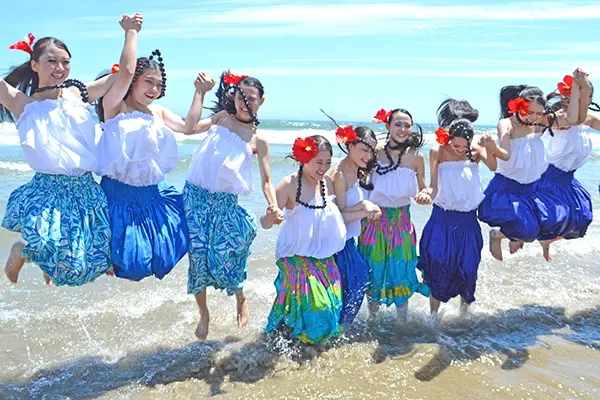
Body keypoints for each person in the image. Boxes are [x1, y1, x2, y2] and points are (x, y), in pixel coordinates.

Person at [0, 14, 139, 285]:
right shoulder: (23, 103)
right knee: (43, 240)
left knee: (83, 268)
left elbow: (125, 73)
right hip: (47, 188)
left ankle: (48, 265)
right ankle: (24, 250)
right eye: (52, 61)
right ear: (34, 64)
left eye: (65, 61)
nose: (60, 68)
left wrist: (130, 33)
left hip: (85, 188)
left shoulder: (80, 94)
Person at [182, 71, 284, 339]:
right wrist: (199, 92)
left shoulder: (259, 141)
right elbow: (190, 128)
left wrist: (273, 206)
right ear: (234, 96)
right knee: (198, 260)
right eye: (241, 96)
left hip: (225, 204)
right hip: (194, 199)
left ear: (261, 101)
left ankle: (240, 295)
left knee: (228, 255)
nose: (245, 102)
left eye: (252, 98)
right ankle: (204, 313)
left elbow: (266, 181)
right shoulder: (221, 118)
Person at [418, 99, 499, 321]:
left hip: (468, 221)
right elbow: (433, 186)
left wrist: (490, 147)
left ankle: (464, 316)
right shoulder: (437, 151)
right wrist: (427, 195)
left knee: (468, 268)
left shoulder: (476, 150)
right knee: (438, 267)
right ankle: (433, 318)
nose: (461, 150)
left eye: (465, 146)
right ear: (448, 138)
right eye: (456, 146)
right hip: (441, 219)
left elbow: (494, 167)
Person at [263, 135, 346, 343]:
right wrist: (271, 216)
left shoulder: (328, 183)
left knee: (333, 303)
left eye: (328, 162)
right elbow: (265, 223)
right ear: (304, 158)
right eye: (319, 162)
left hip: (323, 258)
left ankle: (294, 341)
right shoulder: (289, 184)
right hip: (295, 256)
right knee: (318, 305)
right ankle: (295, 342)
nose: (324, 168)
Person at [358, 108, 431, 323]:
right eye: (398, 124)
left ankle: (402, 323)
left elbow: (424, 188)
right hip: (373, 220)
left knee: (401, 269)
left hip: (402, 222)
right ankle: (372, 319)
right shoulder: (374, 152)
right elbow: (356, 178)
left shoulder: (417, 157)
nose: (402, 129)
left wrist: (425, 195)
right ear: (388, 126)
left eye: (407, 125)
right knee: (374, 270)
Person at [330, 124, 381, 326]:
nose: (368, 156)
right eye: (364, 150)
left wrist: (365, 207)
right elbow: (338, 215)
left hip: (350, 241)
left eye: (371, 151)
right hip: (339, 244)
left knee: (356, 283)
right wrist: (364, 210)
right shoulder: (339, 174)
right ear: (350, 146)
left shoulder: (357, 171)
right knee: (356, 281)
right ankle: (338, 330)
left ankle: (341, 329)